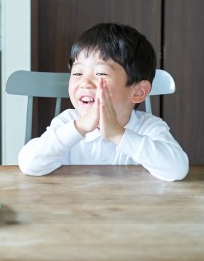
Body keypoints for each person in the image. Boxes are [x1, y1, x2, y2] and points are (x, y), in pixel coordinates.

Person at [18, 23, 188, 181]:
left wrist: (117, 134)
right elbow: (28, 163)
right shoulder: (68, 122)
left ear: (138, 91)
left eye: (100, 74)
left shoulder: (148, 127)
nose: (85, 82)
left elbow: (177, 169)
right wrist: (80, 127)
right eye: (78, 73)